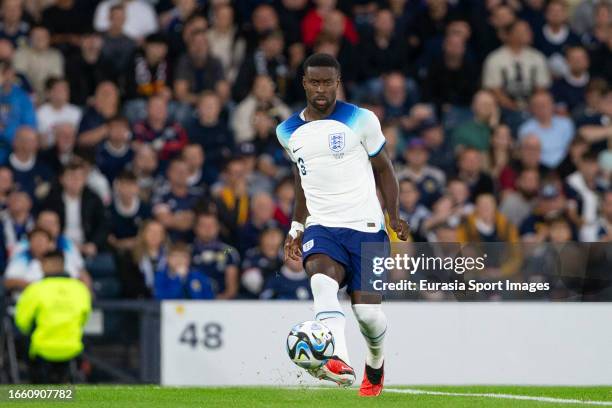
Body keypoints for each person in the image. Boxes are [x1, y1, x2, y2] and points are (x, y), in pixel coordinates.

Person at [278, 54, 409, 396]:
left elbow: (384, 168)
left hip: (366, 228)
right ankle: (338, 360)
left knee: (367, 314)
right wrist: (296, 225)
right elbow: (301, 177)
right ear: (304, 83)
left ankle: (375, 362)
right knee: (321, 279)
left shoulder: (361, 119)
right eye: (314, 82)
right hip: (322, 226)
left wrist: (393, 214)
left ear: (338, 82)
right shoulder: (287, 130)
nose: (321, 89)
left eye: (327, 82)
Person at [14, 249, 91, 384]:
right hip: (72, 349)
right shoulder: (80, 289)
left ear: (47, 264)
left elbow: (21, 322)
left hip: (42, 352)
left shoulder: (36, 289)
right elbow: (85, 319)